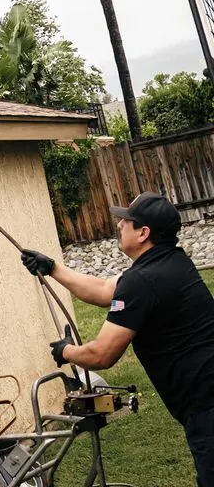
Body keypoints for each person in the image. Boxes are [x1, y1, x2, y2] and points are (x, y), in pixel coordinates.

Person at [21, 192, 214, 486]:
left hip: (207, 406)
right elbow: (102, 289)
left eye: (126, 220)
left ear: (143, 233)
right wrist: (52, 268)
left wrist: (66, 352)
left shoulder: (144, 280)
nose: (119, 224)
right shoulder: (172, 262)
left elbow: (102, 355)